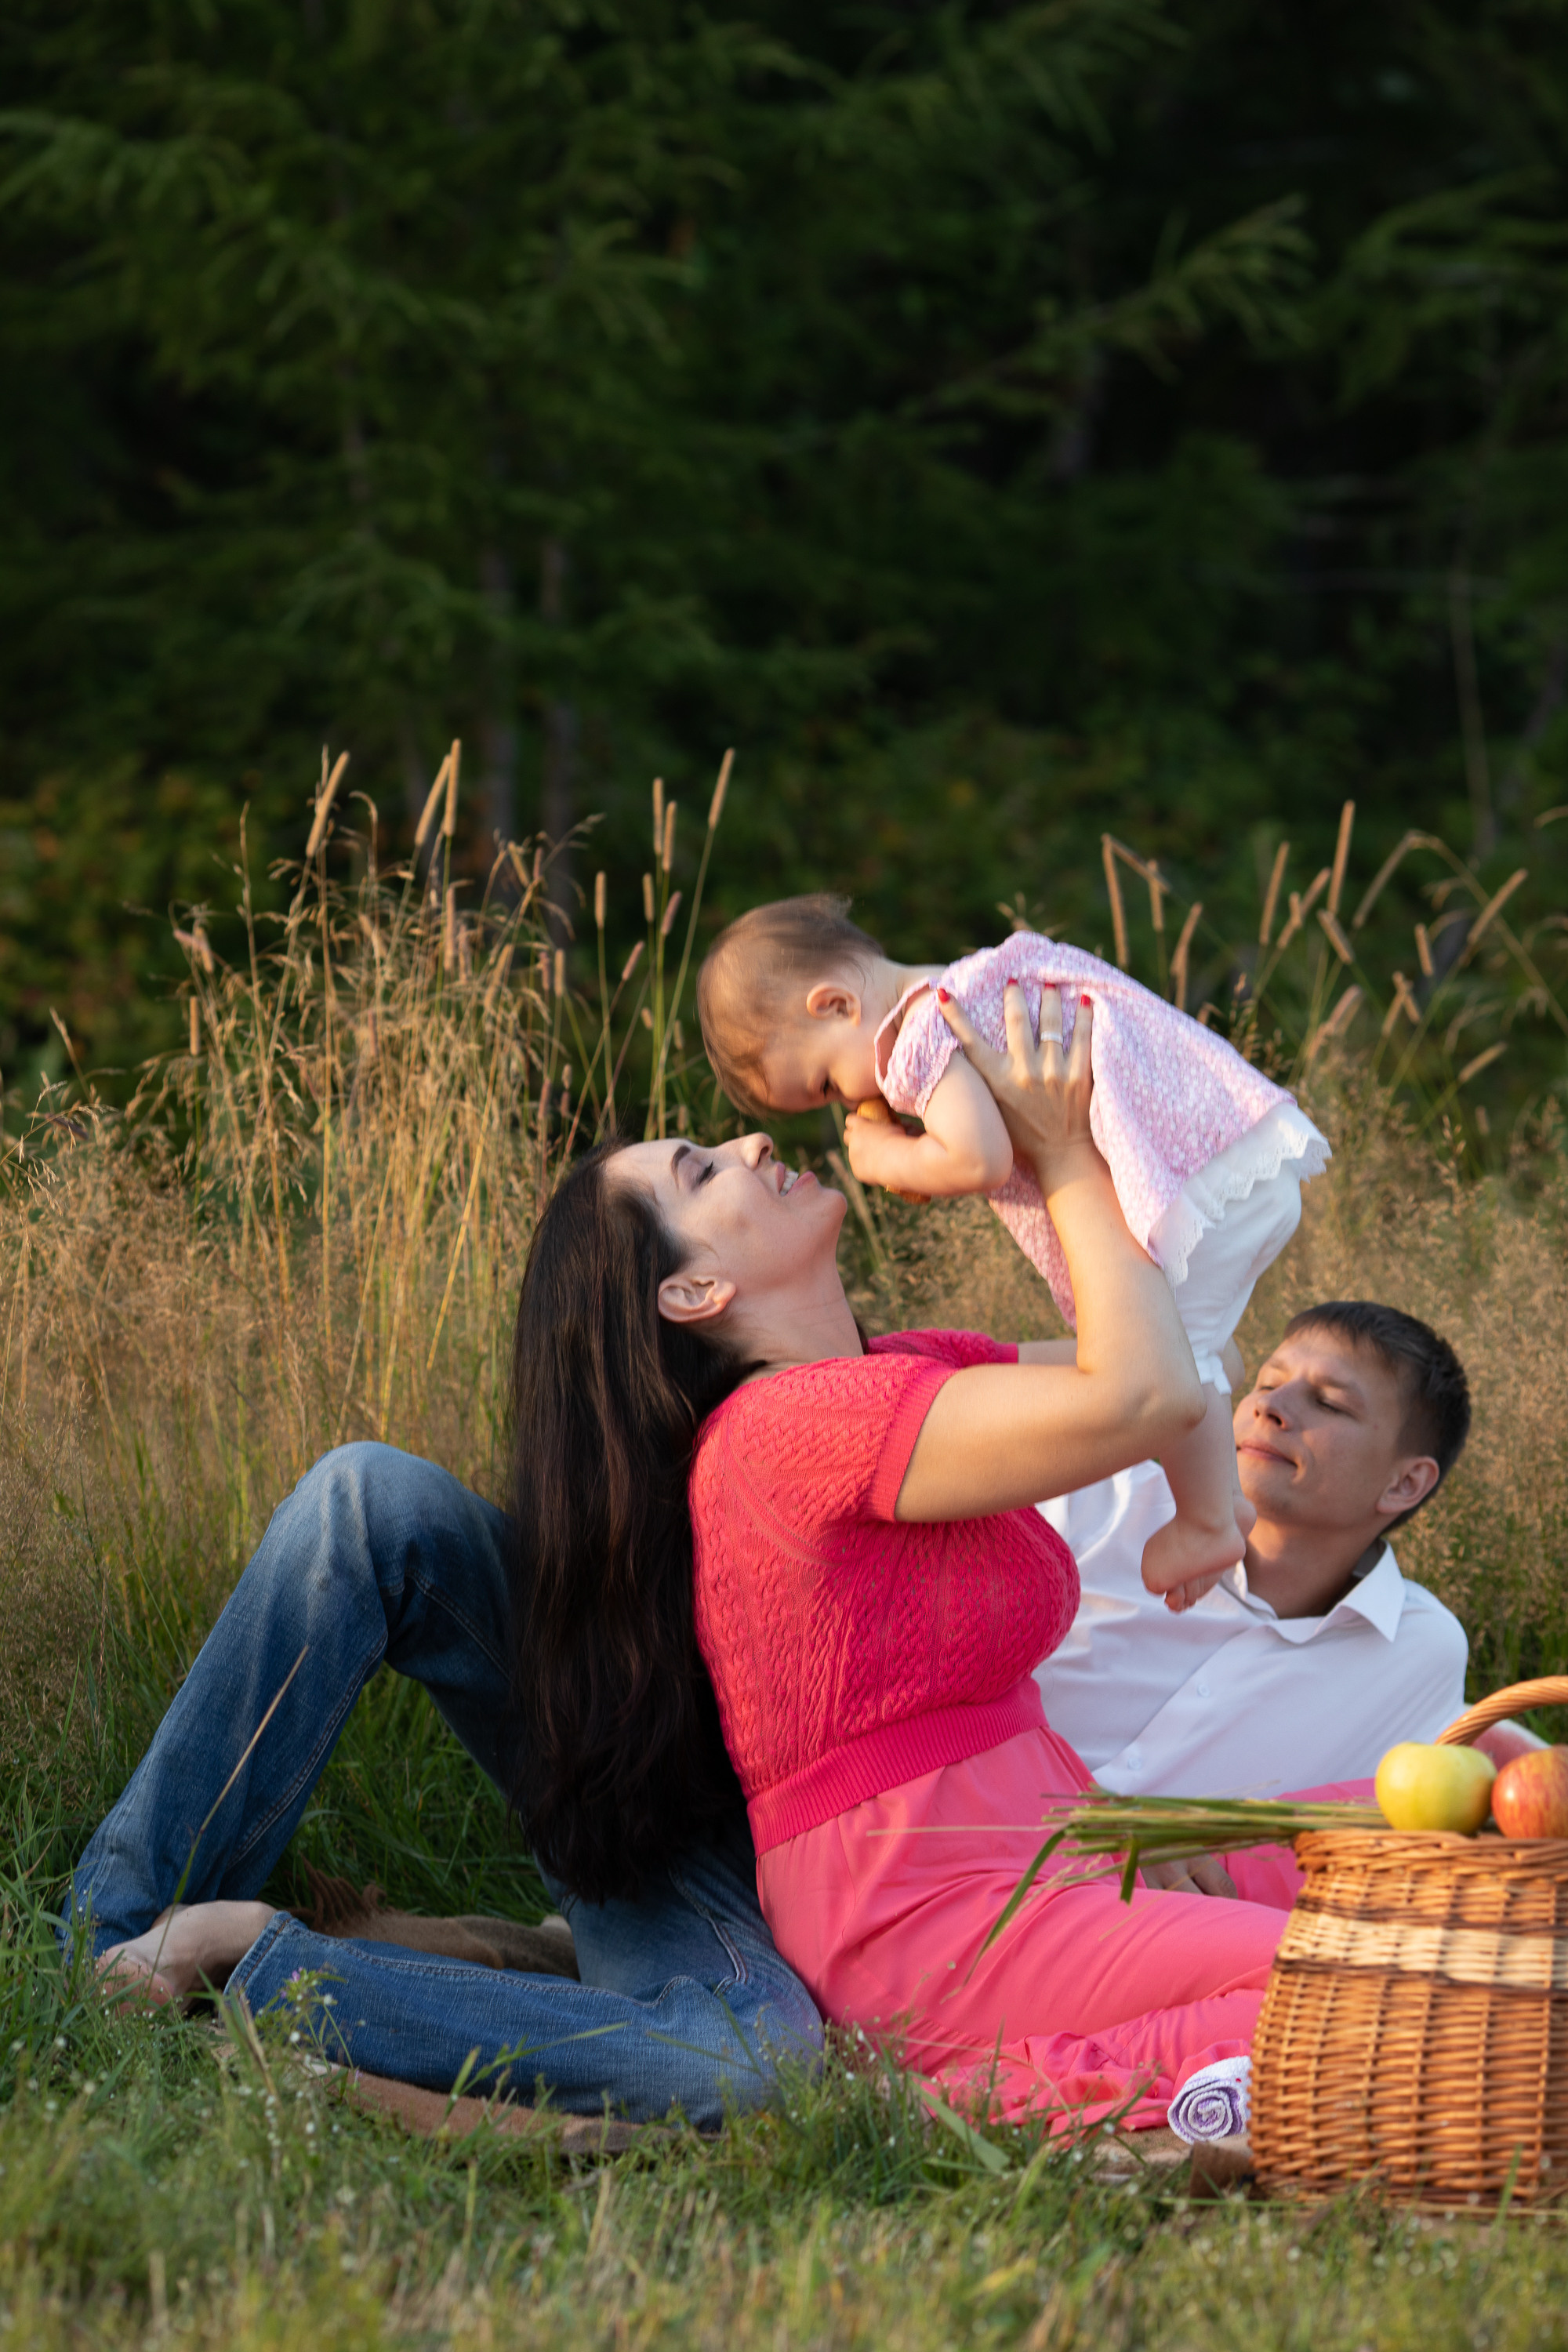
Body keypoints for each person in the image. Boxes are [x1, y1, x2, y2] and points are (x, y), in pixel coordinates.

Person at [506, 980, 1325, 2136]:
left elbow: (1181, 1359)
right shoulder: (789, 1428)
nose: (749, 1141)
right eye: (701, 1171)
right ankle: (1026, 2092)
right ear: (693, 1291)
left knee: (1402, 1853)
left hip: (1051, 1852)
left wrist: (1066, 1147)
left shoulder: (909, 1370)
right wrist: (1063, 1158)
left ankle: (1175, 2059)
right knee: (1359, 1982)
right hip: (923, 1922)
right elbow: (1137, 1397)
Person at [68, 1448, 822, 2129]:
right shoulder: (673, 1337)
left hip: (731, 1899)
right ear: (700, 1288)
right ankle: (102, 1948)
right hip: (647, 1760)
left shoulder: (914, 1377)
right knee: (365, 1497)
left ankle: (260, 1963)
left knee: (759, 2061)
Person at [696, 895, 1330, 1612]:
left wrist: (891, 1160)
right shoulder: (976, 980)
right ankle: (1219, 1508)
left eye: (824, 1084)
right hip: (1237, 1152)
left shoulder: (915, 1037)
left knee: (1174, 1354)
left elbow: (981, 1159)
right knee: (1190, 1350)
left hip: (1195, 1187)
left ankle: (1208, 1518)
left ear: (836, 1004)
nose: (846, 1104)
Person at [1036, 1302, 1474, 1807]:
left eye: (1329, 1403)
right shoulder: (1088, 1503)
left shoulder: (1418, 1652)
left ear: (1405, 1483)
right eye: (1265, 1384)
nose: (1270, 1406)